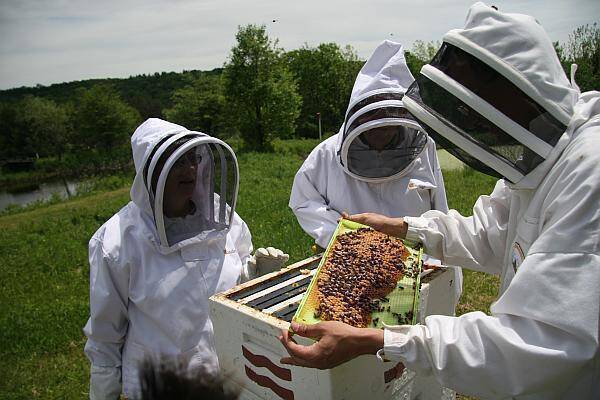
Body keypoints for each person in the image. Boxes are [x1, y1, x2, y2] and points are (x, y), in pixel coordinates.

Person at [280, 3, 599, 399]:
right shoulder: (549, 159)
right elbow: (491, 233)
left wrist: (382, 339)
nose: (474, 123)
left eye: (474, 107)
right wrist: (404, 228)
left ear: (517, 91)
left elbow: (540, 346)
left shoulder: (589, 173)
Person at [83, 118, 289, 400]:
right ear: (151, 171)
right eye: (178, 161)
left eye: (193, 158)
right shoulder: (116, 241)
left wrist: (257, 275)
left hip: (231, 371)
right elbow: (105, 338)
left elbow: (228, 287)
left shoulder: (219, 215)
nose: (190, 168)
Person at [289, 40, 462, 305]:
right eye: (374, 114)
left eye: (389, 113)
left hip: (415, 268)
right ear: (358, 112)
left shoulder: (423, 148)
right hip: (349, 271)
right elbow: (303, 200)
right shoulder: (326, 153)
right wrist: (343, 235)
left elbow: (439, 207)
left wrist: (444, 273)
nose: (382, 124)